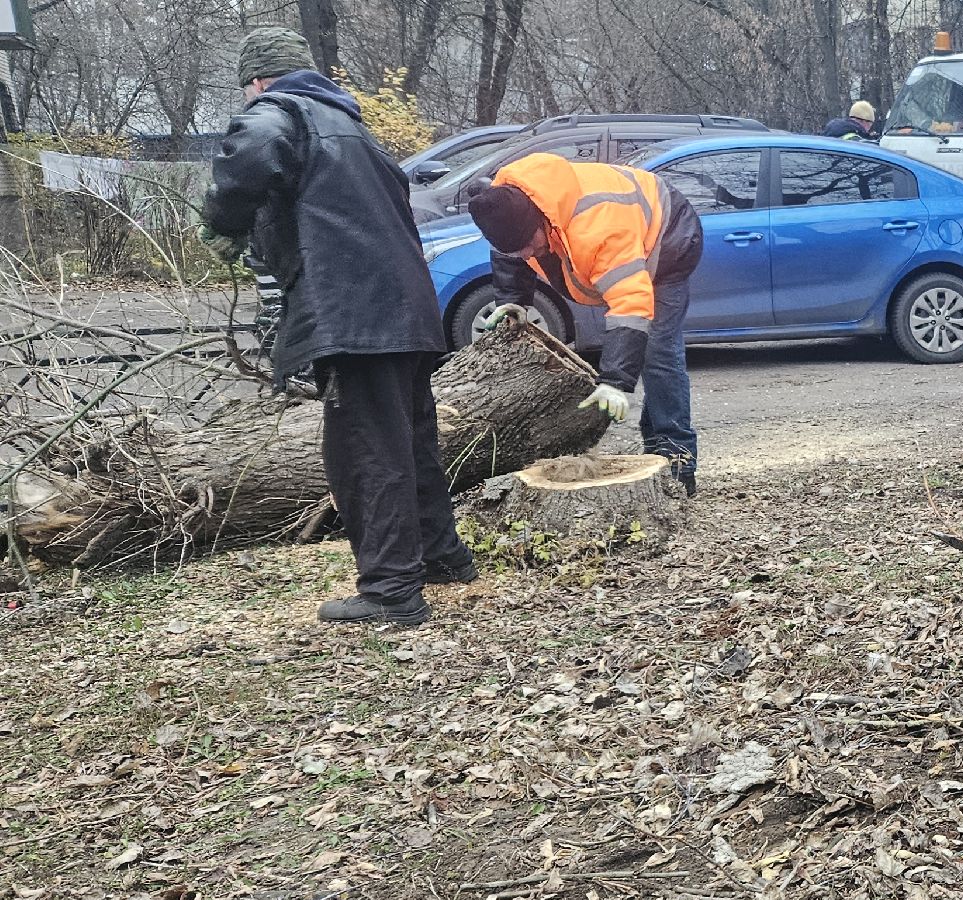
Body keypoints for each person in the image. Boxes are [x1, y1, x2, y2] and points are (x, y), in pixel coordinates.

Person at [202, 27, 470, 627]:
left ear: (258, 81)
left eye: (250, 89)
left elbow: (251, 154)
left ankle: (392, 591)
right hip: (405, 309)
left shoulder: (280, 111)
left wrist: (225, 218)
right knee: (410, 441)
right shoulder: (354, 127)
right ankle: (442, 558)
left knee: (365, 451)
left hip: (355, 314)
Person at [467, 153, 705, 493]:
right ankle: (659, 440)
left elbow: (630, 303)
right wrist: (512, 304)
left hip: (667, 238)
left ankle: (677, 457)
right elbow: (508, 253)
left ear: (543, 222)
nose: (524, 255)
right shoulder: (505, 206)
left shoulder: (598, 227)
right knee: (648, 350)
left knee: (657, 350)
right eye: (516, 251)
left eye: (527, 246)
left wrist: (615, 381)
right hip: (616, 232)